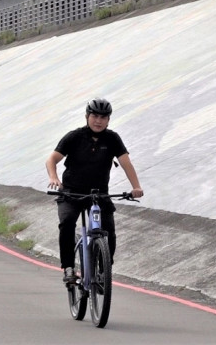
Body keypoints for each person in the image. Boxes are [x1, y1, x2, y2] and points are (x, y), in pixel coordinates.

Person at [45, 98, 144, 284]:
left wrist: (136, 187)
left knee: (109, 232)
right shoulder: (74, 137)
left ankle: (102, 271)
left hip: (99, 194)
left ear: (108, 120)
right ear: (87, 117)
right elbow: (51, 159)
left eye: (103, 117)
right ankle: (68, 267)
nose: (98, 121)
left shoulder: (112, 139)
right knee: (67, 223)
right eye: (95, 116)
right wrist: (53, 177)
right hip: (71, 193)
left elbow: (126, 164)